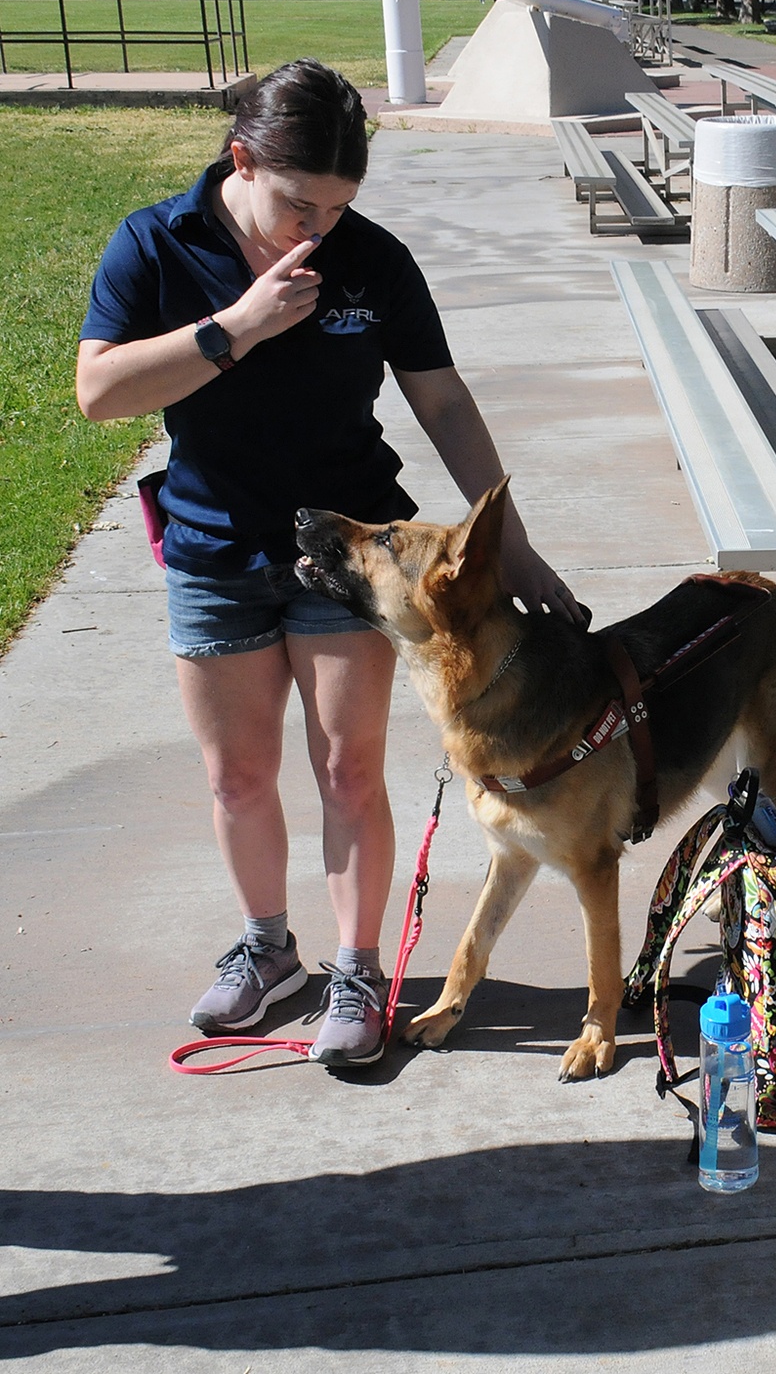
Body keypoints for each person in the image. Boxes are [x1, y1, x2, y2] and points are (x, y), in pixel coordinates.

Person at [77, 58, 583, 1069]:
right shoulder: (155, 243)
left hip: (352, 558)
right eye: (297, 204)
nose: (315, 230)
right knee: (237, 776)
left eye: (337, 208)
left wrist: (509, 540)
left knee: (349, 768)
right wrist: (237, 328)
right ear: (240, 160)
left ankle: (357, 966)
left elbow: (441, 399)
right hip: (214, 545)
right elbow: (101, 392)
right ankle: (270, 951)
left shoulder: (372, 261)